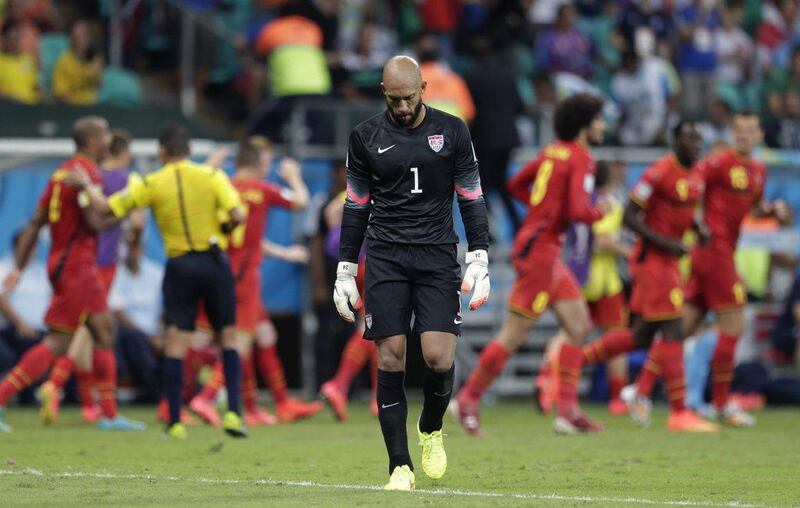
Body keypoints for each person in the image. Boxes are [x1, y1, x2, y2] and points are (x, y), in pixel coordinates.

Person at [333, 55, 490, 491]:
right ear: (384, 93)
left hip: (437, 254)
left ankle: (432, 426)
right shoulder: (364, 137)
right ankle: (399, 466)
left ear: (424, 87)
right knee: (390, 356)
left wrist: (479, 255)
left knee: (439, 358)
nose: (403, 107)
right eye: (395, 99)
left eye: (409, 97)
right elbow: (356, 205)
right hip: (385, 256)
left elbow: (471, 196)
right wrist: (345, 269)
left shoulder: (454, 131)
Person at [65, 126, 247, 440]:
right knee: (228, 337)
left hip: (179, 266)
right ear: (189, 150)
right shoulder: (212, 176)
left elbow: (106, 208)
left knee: (176, 341)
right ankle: (232, 413)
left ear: (162, 152)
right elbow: (238, 215)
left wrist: (85, 187)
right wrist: (224, 226)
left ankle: (174, 421)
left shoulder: (151, 182)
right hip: (214, 261)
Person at [452, 93, 609, 437]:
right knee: (514, 333)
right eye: (599, 119)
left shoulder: (552, 151)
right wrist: (602, 211)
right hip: (541, 252)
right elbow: (580, 211)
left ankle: (567, 410)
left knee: (578, 324)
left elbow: (516, 184)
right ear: (584, 124)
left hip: (542, 247)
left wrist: (541, 209)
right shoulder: (581, 157)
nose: (603, 125)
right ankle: (468, 398)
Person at [0, 116, 143, 432]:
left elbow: (36, 222)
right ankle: (3, 398)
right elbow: (94, 222)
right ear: (93, 141)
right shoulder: (86, 174)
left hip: (65, 264)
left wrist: (19, 269)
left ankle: (108, 414)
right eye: (105, 135)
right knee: (58, 342)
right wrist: (122, 213)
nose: (109, 140)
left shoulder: (59, 173)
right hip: (77, 266)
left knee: (103, 332)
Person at [579, 121, 720, 432]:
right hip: (653, 260)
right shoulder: (658, 172)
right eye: (689, 139)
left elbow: (686, 212)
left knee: (641, 336)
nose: (696, 145)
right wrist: (667, 242)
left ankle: (572, 364)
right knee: (673, 329)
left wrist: (698, 229)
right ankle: (679, 411)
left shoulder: (696, 174)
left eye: (699, 140)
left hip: (670, 261)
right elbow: (630, 216)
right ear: (674, 141)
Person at [189, 140, 323, 426]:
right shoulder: (262, 190)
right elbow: (300, 201)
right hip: (244, 278)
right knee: (238, 344)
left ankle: (274, 404)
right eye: (265, 162)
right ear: (257, 164)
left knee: (264, 335)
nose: (268, 167)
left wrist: (209, 167)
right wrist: (293, 177)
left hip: (218, 271)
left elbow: (249, 239)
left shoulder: (221, 187)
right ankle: (204, 397)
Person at [683, 111, 790, 426]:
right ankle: (719, 402)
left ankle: (642, 390)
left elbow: (755, 207)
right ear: (732, 133)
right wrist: (698, 220)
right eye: (738, 130)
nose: (743, 135)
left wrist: (773, 211)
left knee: (685, 325)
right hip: (714, 250)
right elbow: (689, 189)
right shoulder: (717, 163)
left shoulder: (757, 170)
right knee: (734, 325)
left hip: (719, 252)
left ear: (759, 135)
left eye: (750, 130)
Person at [40, 129, 143, 425]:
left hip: (74, 261)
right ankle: (58, 386)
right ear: (124, 153)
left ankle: (89, 405)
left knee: (87, 331)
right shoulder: (125, 179)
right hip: (102, 263)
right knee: (92, 332)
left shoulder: (90, 174)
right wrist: (134, 249)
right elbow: (136, 222)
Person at [535, 161, 632, 416]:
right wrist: (629, 251)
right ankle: (617, 397)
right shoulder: (606, 203)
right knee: (613, 337)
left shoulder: (578, 200)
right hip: (600, 280)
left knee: (571, 333)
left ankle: (547, 378)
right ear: (610, 178)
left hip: (580, 276)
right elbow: (600, 240)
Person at [52, 19, 103, 105]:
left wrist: (95, 73)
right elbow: (61, 94)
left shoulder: (94, 59)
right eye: (79, 37)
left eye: (85, 36)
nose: (83, 40)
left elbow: (99, 88)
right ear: (72, 39)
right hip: (72, 109)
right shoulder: (64, 62)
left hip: (92, 107)